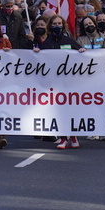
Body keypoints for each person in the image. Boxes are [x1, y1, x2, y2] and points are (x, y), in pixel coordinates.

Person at [37, 14, 85, 149]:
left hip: (70, 82)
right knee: (59, 110)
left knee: (71, 110)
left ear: (63, 26)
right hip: (55, 84)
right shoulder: (47, 42)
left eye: (59, 24)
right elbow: (41, 59)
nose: (57, 26)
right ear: (50, 26)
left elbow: (82, 54)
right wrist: (36, 52)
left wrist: (81, 51)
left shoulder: (68, 41)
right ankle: (64, 138)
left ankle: (73, 135)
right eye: (54, 24)